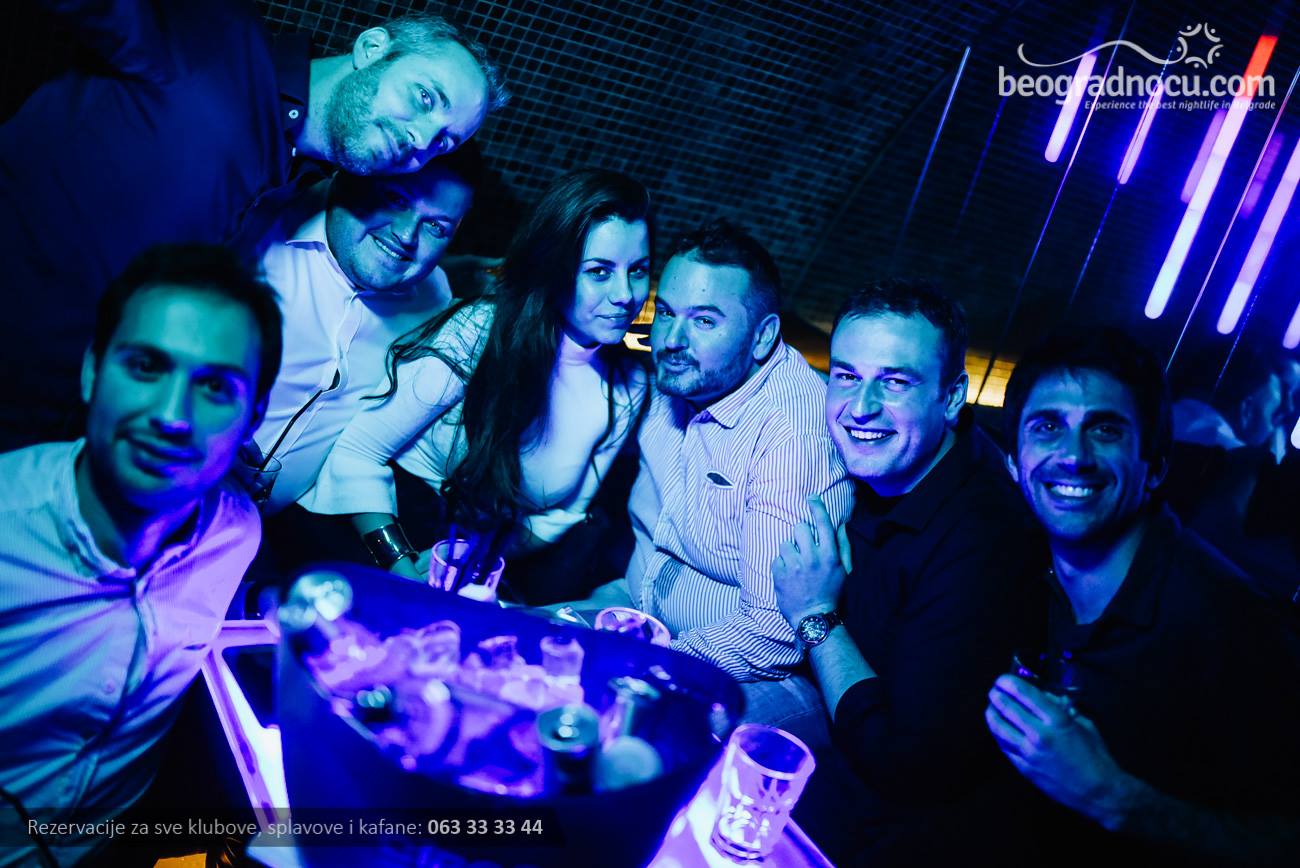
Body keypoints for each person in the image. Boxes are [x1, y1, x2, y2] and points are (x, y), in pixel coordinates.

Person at [0, 1, 508, 450]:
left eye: (444, 142)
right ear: (372, 48)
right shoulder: (216, 41)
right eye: (424, 98)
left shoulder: (291, 188)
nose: (422, 141)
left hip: (53, 432)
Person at [0, 244, 281, 865]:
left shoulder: (237, 536)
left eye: (215, 386)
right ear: (91, 371)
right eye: (147, 366)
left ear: (253, 417)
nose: (172, 417)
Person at [987, 327, 1300, 867]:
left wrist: (1116, 800)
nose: (1073, 456)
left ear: (1154, 467)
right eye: (1048, 427)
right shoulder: (1016, 577)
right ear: (1014, 463)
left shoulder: (1229, 624)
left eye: (1105, 430)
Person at [769, 278, 1042, 865]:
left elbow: (907, 764)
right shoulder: (873, 467)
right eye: (846, 376)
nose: (861, 407)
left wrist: (816, 616)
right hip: (837, 783)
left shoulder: (984, 539)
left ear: (951, 397)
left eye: (895, 382)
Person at [302, 169, 652, 597]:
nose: (625, 294)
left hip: (474, 561)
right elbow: (357, 453)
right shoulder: (479, 332)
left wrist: (474, 558)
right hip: (376, 538)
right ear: (554, 267)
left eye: (638, 270)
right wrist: (400, 564)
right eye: (599, 271)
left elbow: (562, 515)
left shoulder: (629, 383)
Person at [577, 219, 851, 740]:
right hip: (636, 612)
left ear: (762, 337)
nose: (672, 341)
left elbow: (776, 630)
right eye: (666, 313)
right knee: (514, 644)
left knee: (625, 735)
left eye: (704, 320)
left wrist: (644, 661)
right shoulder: (680, 377)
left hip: (757, 671)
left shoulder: (792, 434)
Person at [251, 147, 479, 516]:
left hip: (269, 531)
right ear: (351, 177)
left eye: (436, 227)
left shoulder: (433, 298)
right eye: (396, 199)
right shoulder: (256, 237)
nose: (406, 235)